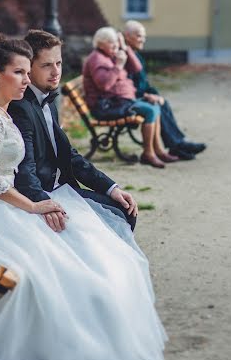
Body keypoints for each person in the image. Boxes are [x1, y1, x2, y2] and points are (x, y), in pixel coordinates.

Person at [0, 31, 166, 360]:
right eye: (20, 72)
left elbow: (30, 165)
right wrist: (34, 206)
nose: (27, 80)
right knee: (54, 269)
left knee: (72, 258)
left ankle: (85, 332)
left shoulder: (1, 111)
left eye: (28, 72)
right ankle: (46, 346)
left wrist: (39, 205)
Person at [8, 29, 137, 231]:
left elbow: (70, 155)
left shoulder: (48, 101)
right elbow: (26, 170)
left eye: (58, 63)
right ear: (28, 68)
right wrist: (46, 205)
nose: (56, 71)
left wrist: (111, 188)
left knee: (123, 208)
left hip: (63, 186)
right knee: (118, 217)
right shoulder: (21, 108)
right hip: (45, 194)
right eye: (47, 65)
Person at [83, 26, 178, 169]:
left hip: (120, 102)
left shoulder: (110, 55)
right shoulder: (97, 59)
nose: (115, 46)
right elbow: (104, 85)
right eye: (111, 42)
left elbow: (137, 69)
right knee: (150, 111)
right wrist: (119, 66)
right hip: (107, 106)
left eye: (116, 42)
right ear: (100, 44)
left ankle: (157, 150)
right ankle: (148, 153)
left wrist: (124, 47)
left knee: (155, 106)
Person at [123, 20, 207, 160]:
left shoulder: (134, 54)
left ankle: (177, 145)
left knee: (163, 103)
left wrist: (153, 94)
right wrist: (146, 96)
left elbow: (143, 82)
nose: (143, 39)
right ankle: (177, 145)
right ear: (127, 36)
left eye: (144, 36)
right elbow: (128, 86)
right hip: (131, 100)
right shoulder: (126, 57)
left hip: (140, 96)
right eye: (139, 36)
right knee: (157, 105)